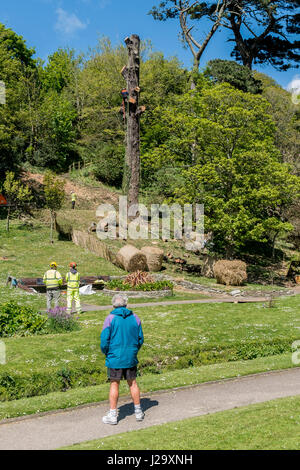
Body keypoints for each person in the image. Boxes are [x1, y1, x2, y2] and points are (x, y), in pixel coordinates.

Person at [100, 294, 144, 425]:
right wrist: (134, 350)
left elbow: (104, 341)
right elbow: (140, 339)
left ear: (113, 305)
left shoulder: (110, 318)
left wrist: (106, 352)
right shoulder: (135, 318)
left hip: (115, 357)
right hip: (130, 356)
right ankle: (138, 412)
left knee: (114, 384)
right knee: (133, 383)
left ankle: (113, 415)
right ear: (126, 304)